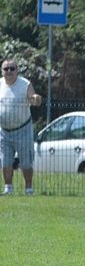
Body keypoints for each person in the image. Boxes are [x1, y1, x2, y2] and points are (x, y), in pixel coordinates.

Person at [0, 59, 42, 195]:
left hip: (22, 129)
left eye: (12, 68)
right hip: (4, 131)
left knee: (26, 161)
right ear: (2, 71)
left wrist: (35, 98)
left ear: (17, 70)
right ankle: (8, 187)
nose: (9, 71)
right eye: (6, 69)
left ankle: (29, 188)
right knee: (5, 161)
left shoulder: (25, 84)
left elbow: (34, 98)